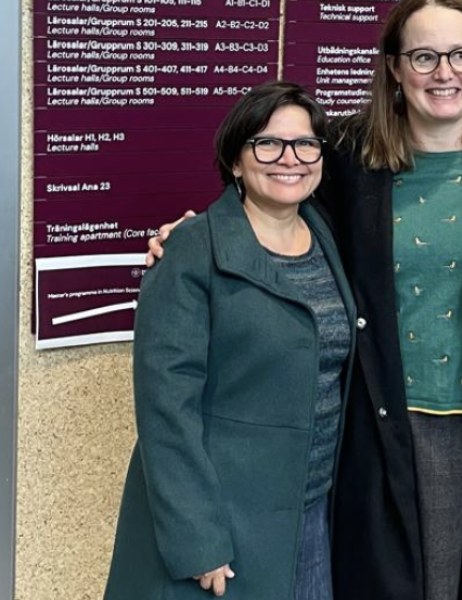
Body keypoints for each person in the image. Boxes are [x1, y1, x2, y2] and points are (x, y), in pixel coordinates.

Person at [147, 1, 462, 599]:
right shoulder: (348, 158)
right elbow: (271, 207)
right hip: (377, 424)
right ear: (395, 67)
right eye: (423, 55)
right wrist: (190, 236)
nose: (443, 71)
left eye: (459, 54)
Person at [105, 82, 356, 600]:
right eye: (268, 143)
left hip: (309, 514)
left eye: (306, 144)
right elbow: (166, 409)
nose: (290, 158)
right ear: (237, 161)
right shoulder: (191, 251)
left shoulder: (325, 233)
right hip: (223, 527)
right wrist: (198, 539)